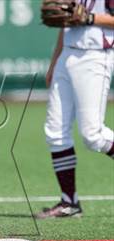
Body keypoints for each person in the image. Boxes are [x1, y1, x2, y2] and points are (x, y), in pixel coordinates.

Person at [36, 0, 114, 219]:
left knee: (93, 135)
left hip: (96, 55)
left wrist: (90, 18)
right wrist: (55, 61)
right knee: (55, 132)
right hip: (68, 54)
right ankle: (69, 202)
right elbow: (65, 22)